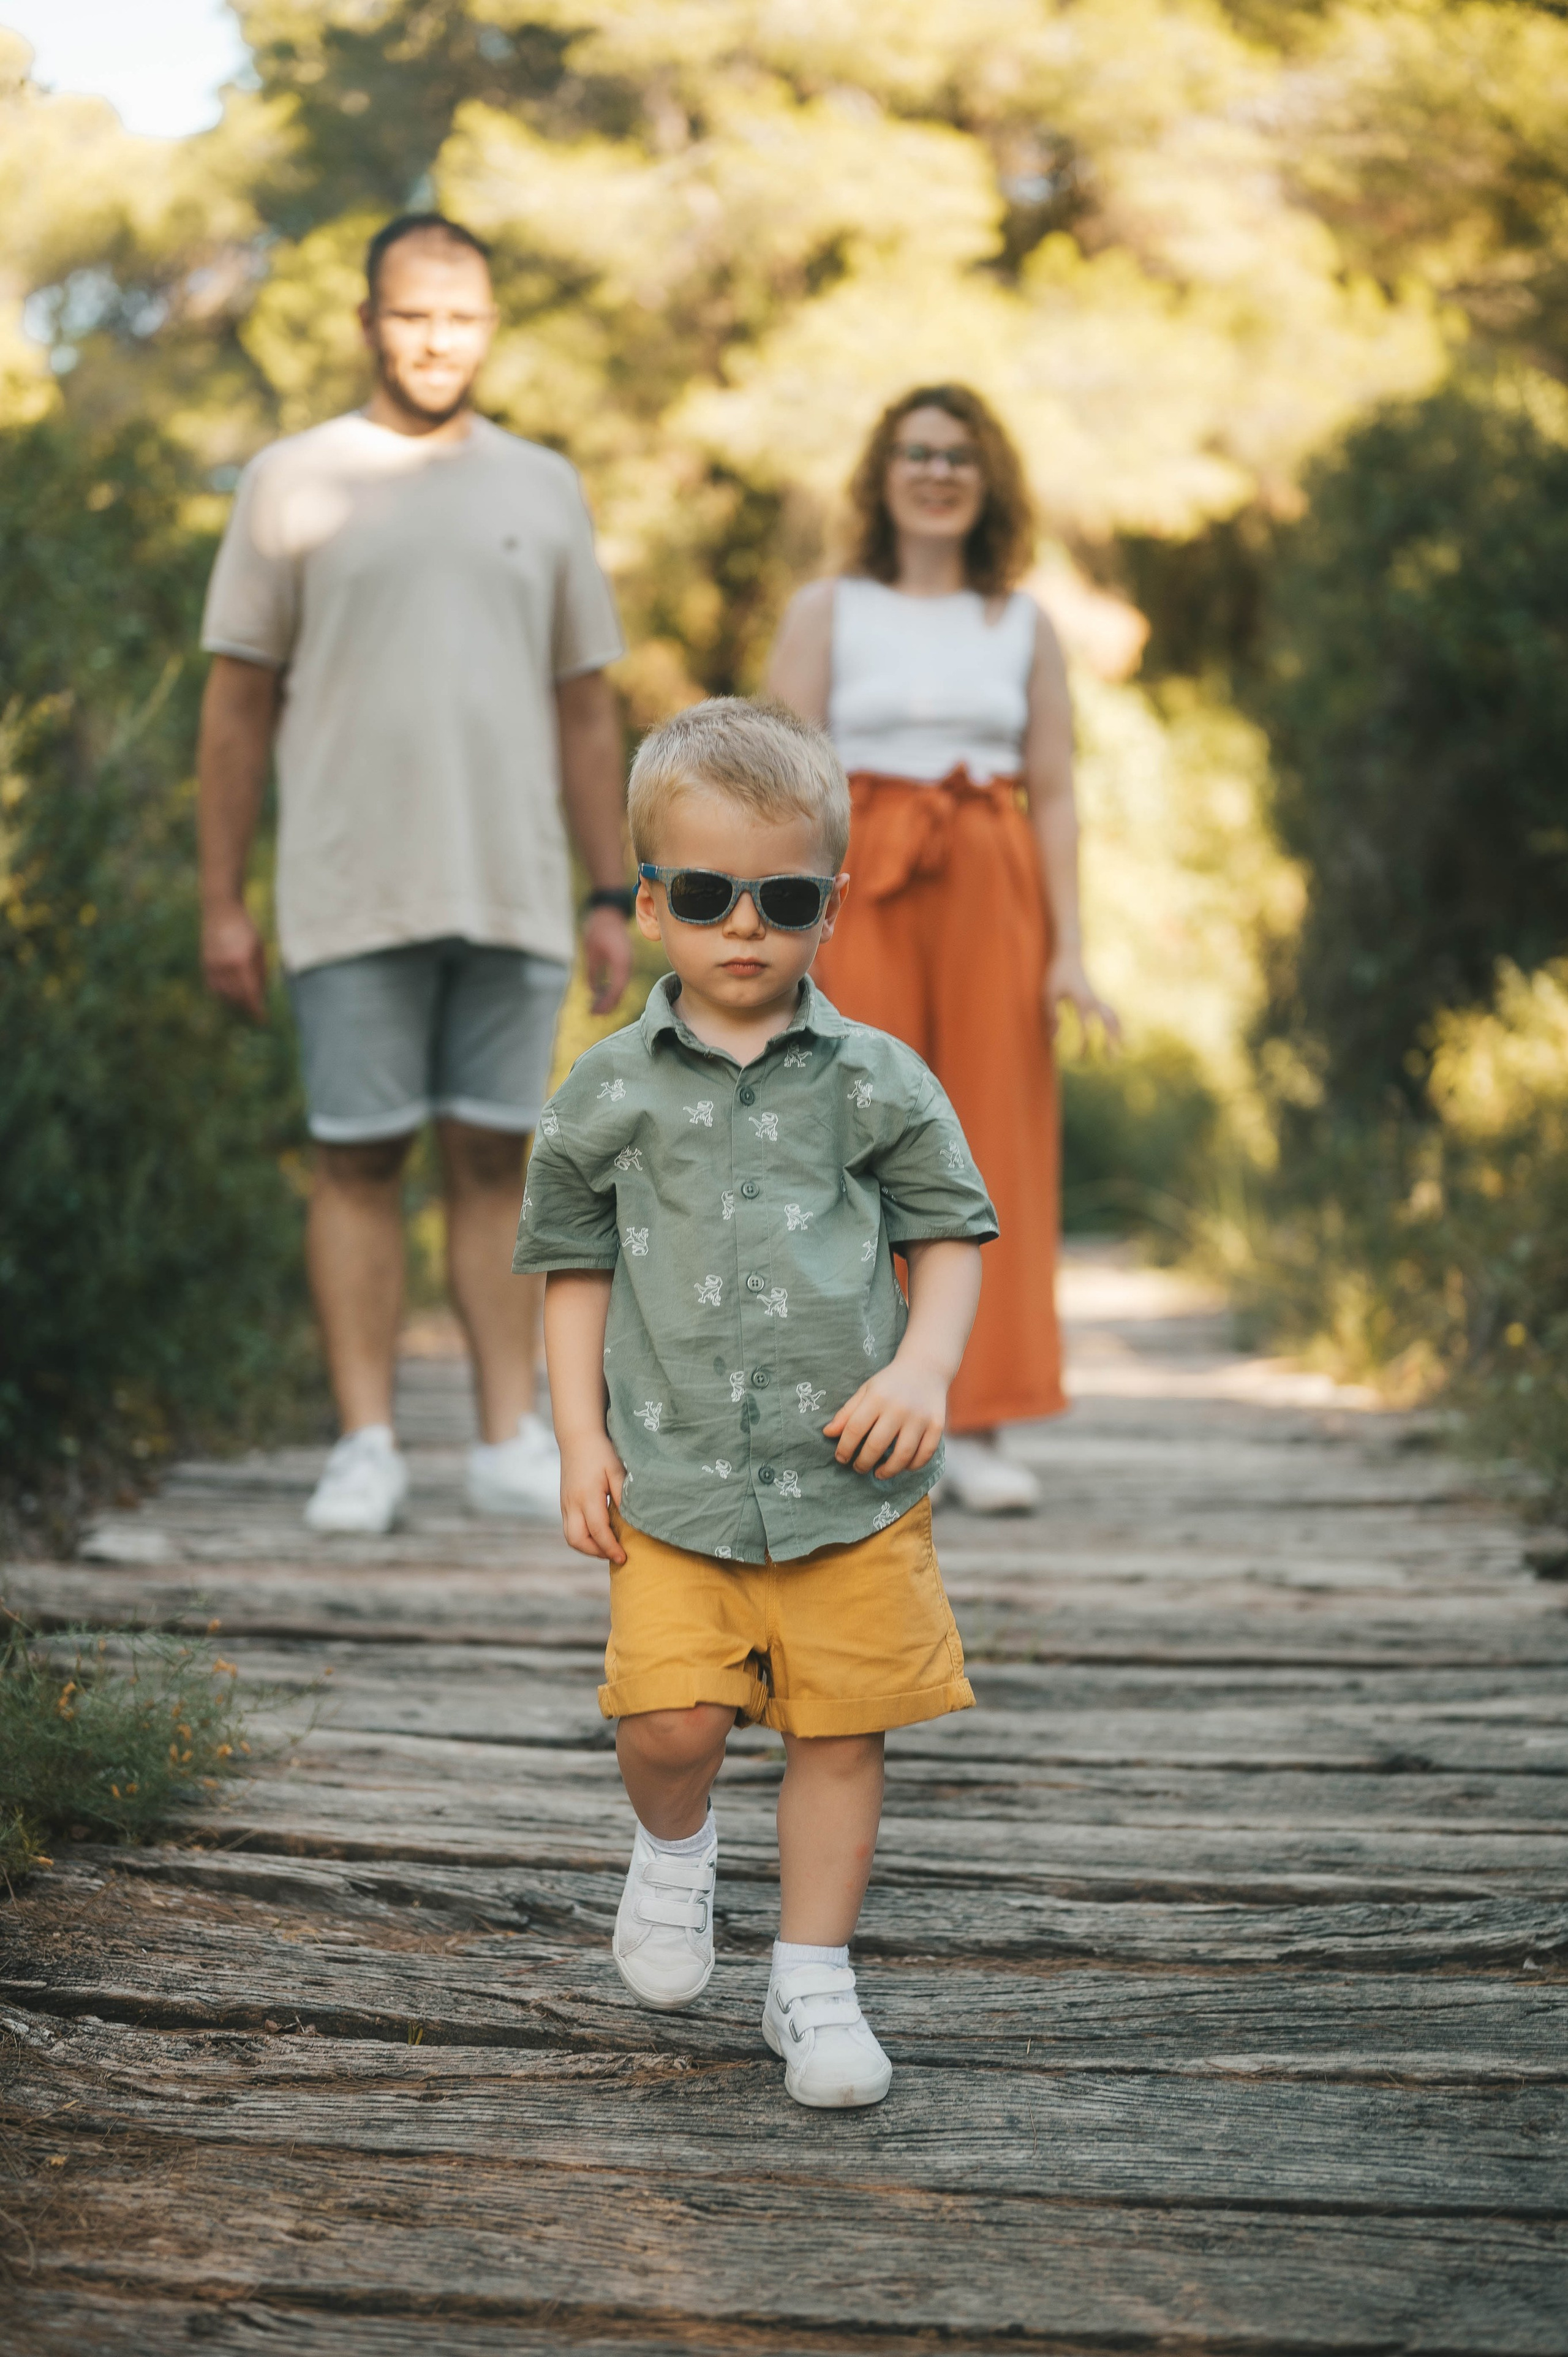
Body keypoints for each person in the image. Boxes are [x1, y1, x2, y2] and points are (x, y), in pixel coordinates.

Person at [514, 698, 995, 2108]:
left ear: (827, 905)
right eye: (708, 894)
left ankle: (812, 1978)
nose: (744, 927)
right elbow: (568, 1265)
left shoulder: (873, 1079)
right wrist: (576, 1437)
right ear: (651, 899)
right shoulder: (602, 1091)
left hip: (845, 1486)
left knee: (841, 1733)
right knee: (667, 1720)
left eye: (781, 898)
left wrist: (922, 1369)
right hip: (670, 1485)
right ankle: (673, 1850)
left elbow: (950, 1234)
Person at [197, 212, 633, 1535]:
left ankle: (507, 1436)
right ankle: (367, 1441)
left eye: (462, 316)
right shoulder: (289, 477)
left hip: (510, 884)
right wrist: (224, 897)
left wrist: (613, 891)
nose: (438, 339)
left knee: (502, 1160)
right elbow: (233, 706)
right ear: (367, 324)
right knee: (357, 1160)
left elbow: (584, 710)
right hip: (348, 883)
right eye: (412, 314)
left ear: (489, 328)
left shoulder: (544, 484)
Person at [767, 382, 1118, 1514]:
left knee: (987, 1139)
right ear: (882, 476)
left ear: (988, 480)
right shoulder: (827, 608)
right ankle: (840, 1404)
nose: (936, 473)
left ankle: (977, 1416)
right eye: (915, 454)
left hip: (988, 875)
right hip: (855, 878)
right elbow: (776, 778)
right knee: (844, 1130)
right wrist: (772, 923)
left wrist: (1071, 950)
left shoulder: (1021, 622)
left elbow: (1056, 793)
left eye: (959, 456)